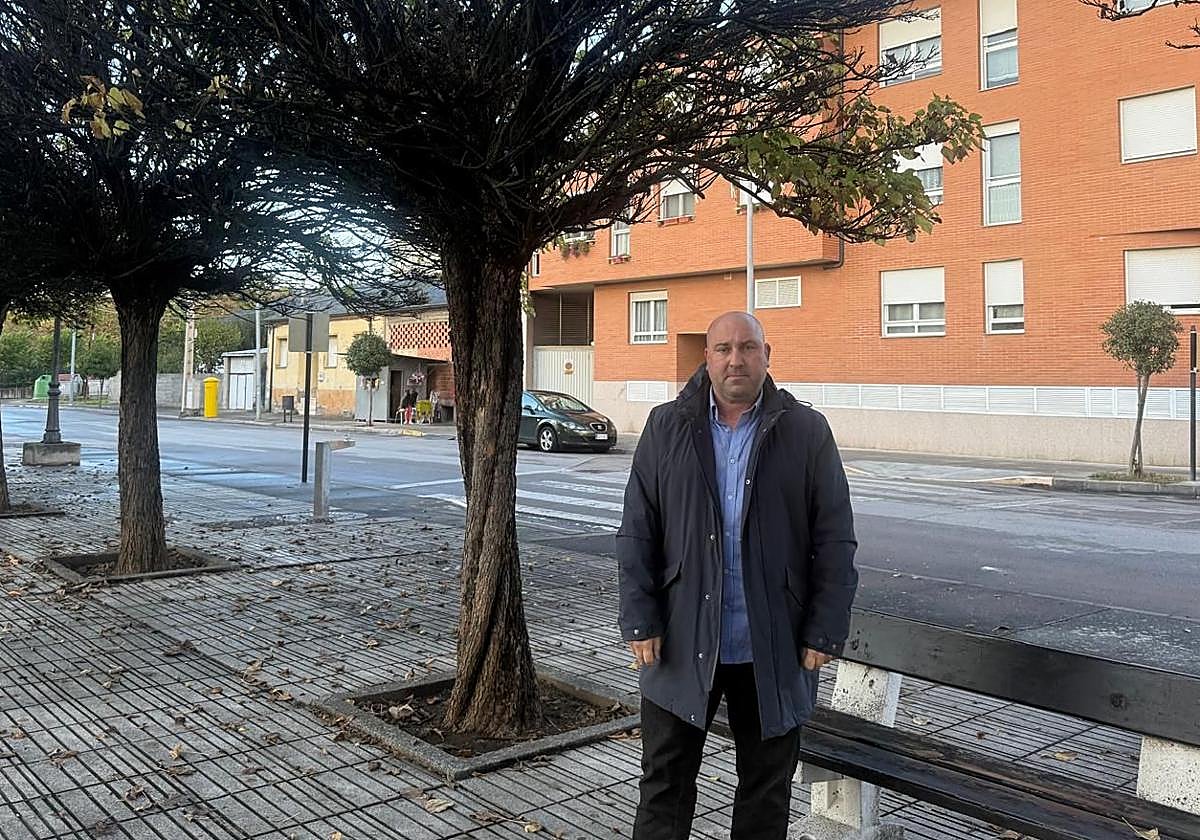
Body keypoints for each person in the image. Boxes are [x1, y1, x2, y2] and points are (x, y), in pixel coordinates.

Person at [617, 311, 858, 840]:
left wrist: (824, 628)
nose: (736, 359)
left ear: (767, 355)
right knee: (664, 785)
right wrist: (639, 617)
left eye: (748, 348)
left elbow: (834, 539)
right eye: (723, 348)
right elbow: (638, 530)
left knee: (766, 792)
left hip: (772, 646)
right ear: (706, 357)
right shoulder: (666, 427)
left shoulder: (806, 432)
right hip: (681, 641)